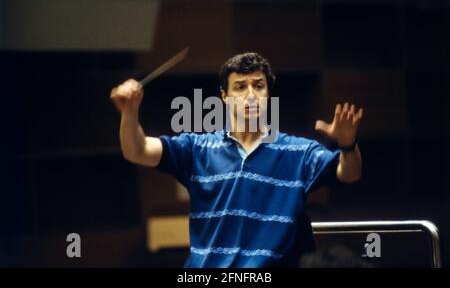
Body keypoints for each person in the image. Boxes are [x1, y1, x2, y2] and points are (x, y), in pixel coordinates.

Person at [110, 52, 364, 267]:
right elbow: (137, 150)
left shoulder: (299, 151)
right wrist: (130, 113)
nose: (250, 94)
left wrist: (348, 145)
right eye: (240, 87)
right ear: (224, 95)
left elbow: (349, 173)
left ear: (268, 94)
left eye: (258, 85)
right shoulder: (196, 148)